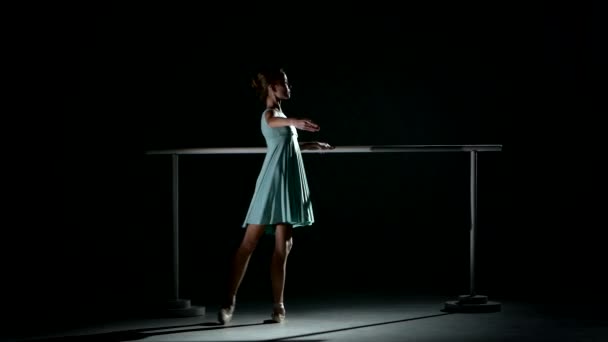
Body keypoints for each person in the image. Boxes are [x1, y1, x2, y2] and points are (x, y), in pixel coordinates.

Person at [218, 68, 333, 324]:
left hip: (287, 187)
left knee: (283, 248)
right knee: (248, 244)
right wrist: (295, 122)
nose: (289, 87)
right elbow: (273, 123)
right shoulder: (270, 114)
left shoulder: (282, 115)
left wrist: (312, 144)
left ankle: (278, 307)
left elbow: (286, 145)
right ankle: (229, 300)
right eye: (284, 83)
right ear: (272, 86)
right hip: (271, 185)